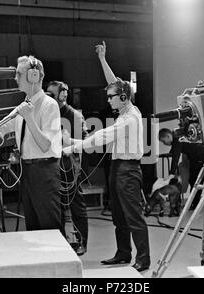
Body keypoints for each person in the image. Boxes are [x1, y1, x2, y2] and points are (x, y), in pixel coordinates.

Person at [63, 41, 150, 272]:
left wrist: (74, 146)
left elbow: (102, 136)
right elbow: (114, 83)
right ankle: (123, 254)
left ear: (122, 97)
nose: (108, 99)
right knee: (119, 216)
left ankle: (144, 259)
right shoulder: (124, 108)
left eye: (111, 97)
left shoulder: (129, 118)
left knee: (133, 216)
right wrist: (102, 59)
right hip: (117, 167)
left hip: (129, 169)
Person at [0, 55, 63, 234]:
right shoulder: (23, 106)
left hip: (45, 170)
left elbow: (45, 144)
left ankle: (59, 261)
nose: (15, 78)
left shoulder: (49, 105)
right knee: (33, 225)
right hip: (28, 170)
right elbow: (0, 127)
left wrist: (30, 118)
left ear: (33, 76)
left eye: (18, 73)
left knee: (49, 225)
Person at [47, 80, 89, 256]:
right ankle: (62, 241)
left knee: (76, 205)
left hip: (70, 167)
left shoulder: (74, 116)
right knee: (57, 207)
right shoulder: (50, 113)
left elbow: (87, 144)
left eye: (51, 93)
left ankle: (81, 242)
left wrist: (69, 142)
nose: (47, 96)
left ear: (63, 95)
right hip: (52, 167)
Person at [158, 128, 204, 210]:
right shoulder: (177, 138)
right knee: (193, 181)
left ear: (168, 136)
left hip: (199, 158)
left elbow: (176, 156)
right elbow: (174, 152)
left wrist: (171, 173)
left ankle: (195, 204)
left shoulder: (177, 140)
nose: (164, 143)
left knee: (196, 181)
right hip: (196, 158)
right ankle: (193, 203)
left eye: (164, 141)